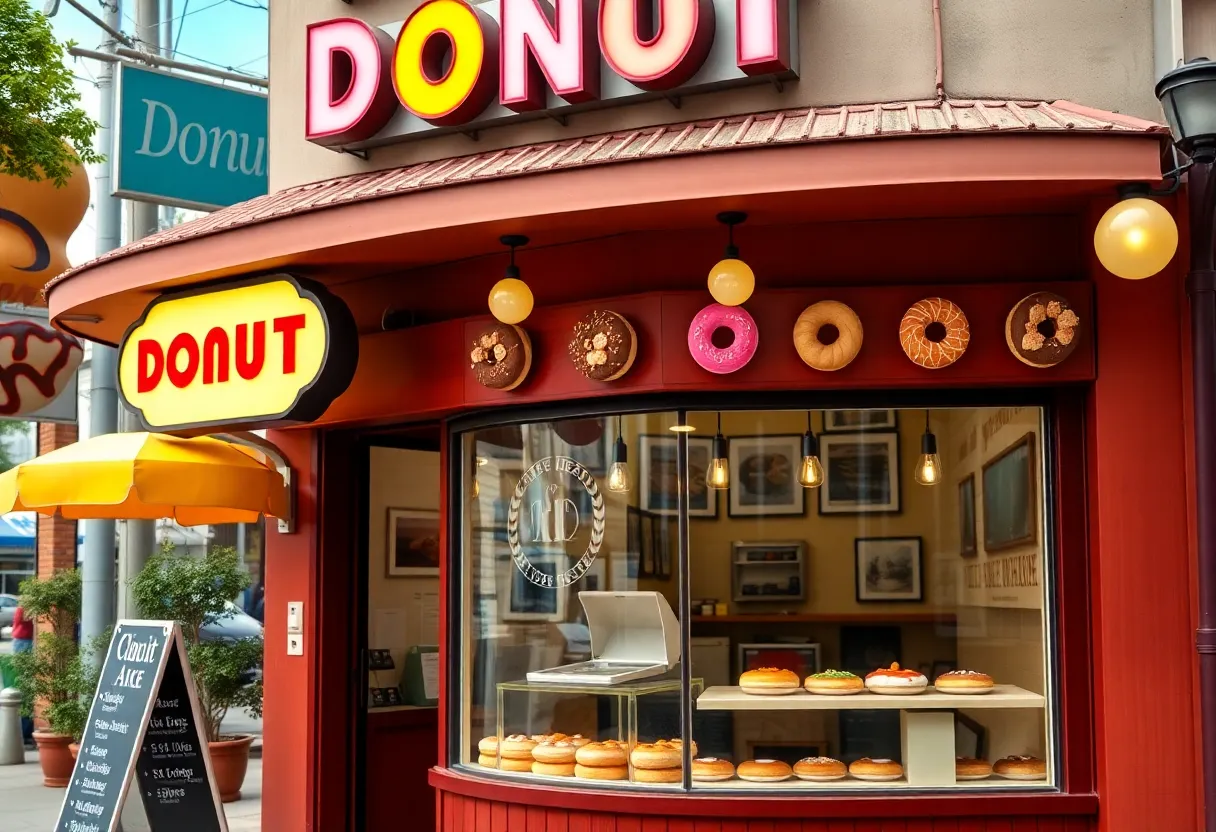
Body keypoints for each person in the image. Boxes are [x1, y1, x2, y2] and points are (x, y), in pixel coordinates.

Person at [10, 604, 33, 745]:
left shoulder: (23, 607)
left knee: (26, 689)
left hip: (24, 642)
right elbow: (26, 618)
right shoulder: (24, 607)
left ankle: (25, 731)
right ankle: (24, 732)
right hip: (24, 642)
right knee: (25, 688)